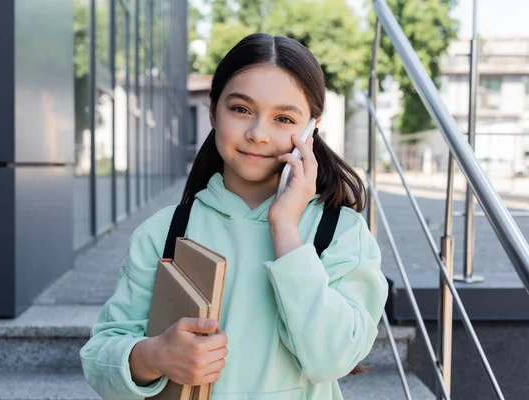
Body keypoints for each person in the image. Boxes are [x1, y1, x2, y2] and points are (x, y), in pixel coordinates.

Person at [80, 33, 389, 400]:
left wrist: (285, 228)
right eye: (241, 109)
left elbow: (332, 359)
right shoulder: (165, 230)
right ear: (213, 111)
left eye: (284, 118)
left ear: (312, 128)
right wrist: (156, 355)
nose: (258, 134)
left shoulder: (340, 233)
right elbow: (101, 356)